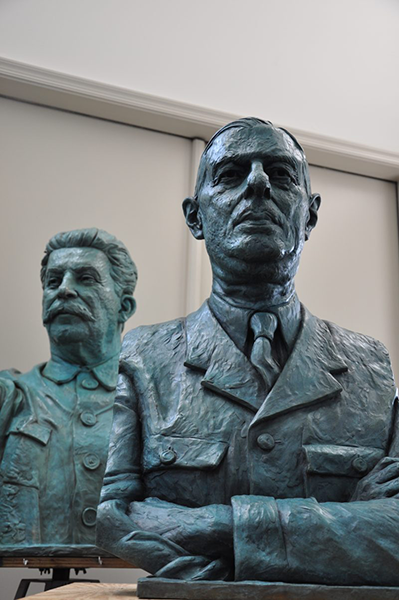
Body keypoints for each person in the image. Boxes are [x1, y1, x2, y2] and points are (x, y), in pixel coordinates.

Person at [97, 119, 399, 585]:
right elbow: (115, 519)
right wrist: (344, 521)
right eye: (231, 174)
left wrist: (216, 528)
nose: (258, 184)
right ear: (195, 216)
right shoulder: (143, 358)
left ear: (310, 215)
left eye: (281, 174)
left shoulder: (371, 367)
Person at [0, 228, 137, 551]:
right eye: (53, 281)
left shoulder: (152, 401)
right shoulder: (9, 397)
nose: (64, 290)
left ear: (124, 307)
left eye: (85, 278)